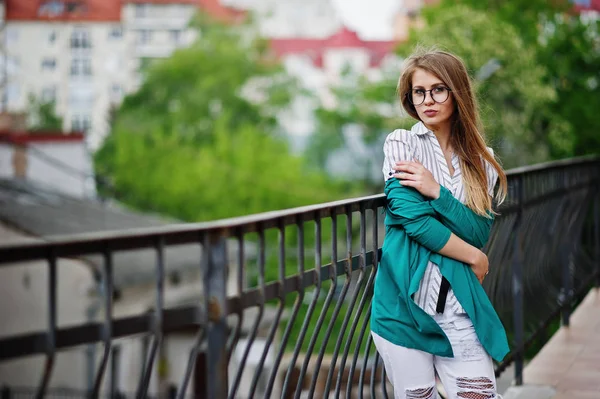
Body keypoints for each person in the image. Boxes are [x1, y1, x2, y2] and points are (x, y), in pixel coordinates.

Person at [370, 48, 509, 399]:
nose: (427, 100)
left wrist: (436, 192)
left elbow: (478, 232)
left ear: (457, 92)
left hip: (460, 312)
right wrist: (474, 258)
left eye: (438, 89)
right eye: (419, 92)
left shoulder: (483, 161)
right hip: (404, 312)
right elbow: (413, 221)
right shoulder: (402, 144)